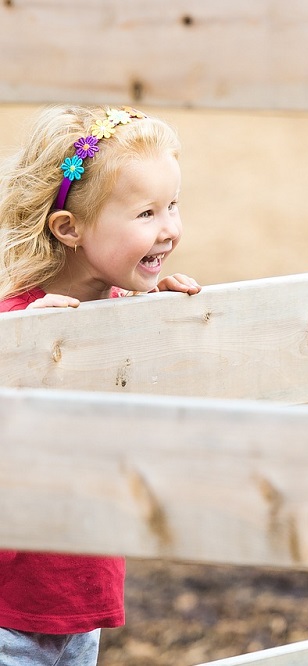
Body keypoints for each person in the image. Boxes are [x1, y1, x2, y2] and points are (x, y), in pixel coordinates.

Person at [0, 104, 201, 664]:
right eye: (146, 213)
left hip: (83, 611)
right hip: (8, 617)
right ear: (70, 228)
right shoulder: (17, 322)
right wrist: (23, 354)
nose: (170, 229)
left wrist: (164, 334)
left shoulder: (129, 317)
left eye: (174, 205)